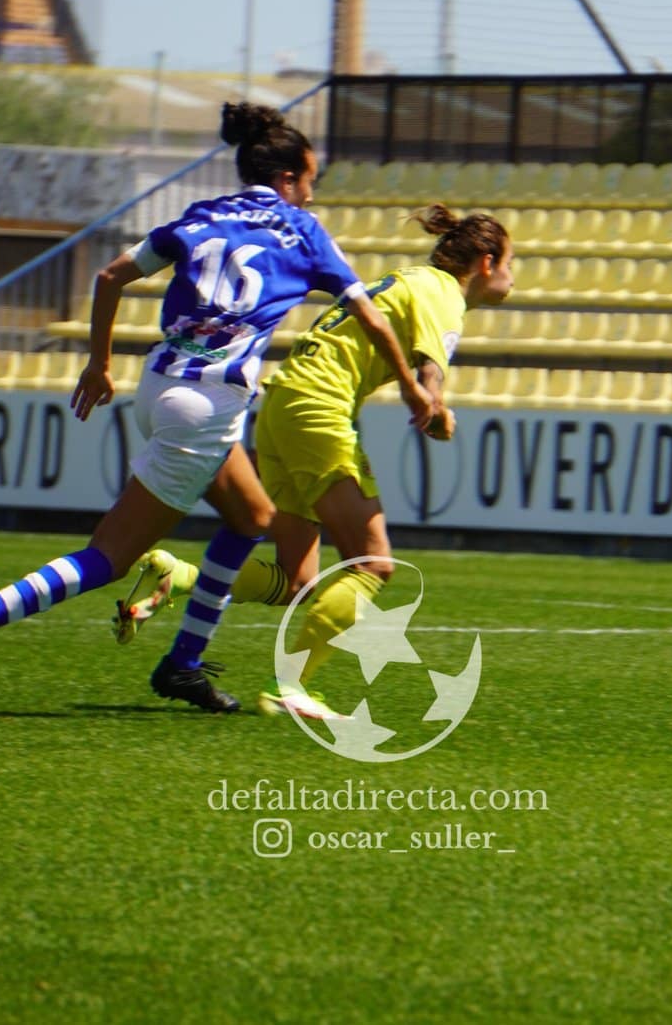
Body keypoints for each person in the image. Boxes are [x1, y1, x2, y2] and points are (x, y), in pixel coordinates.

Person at [0, 102, 436, 711]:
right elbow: (371, 316)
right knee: (109, 557)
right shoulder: (301, 231)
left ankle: (183, 665)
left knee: (252, 516)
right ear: (290, 178)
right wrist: (410, 384)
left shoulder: (202, 215)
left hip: (160, 383)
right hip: (209, 407)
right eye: (311, 182)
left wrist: (98, 364)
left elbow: (111, 276)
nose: (312, 195)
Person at [115, 204, 513, 720]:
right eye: (509, 262)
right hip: (319, 409)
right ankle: (292, 687)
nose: (510, 276)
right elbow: (430, 373)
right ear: (485, 263)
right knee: (373, 564)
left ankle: (178, 576)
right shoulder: (443, 293)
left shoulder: (408, 280)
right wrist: (436, 412)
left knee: (296, 578)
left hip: (283, 404)